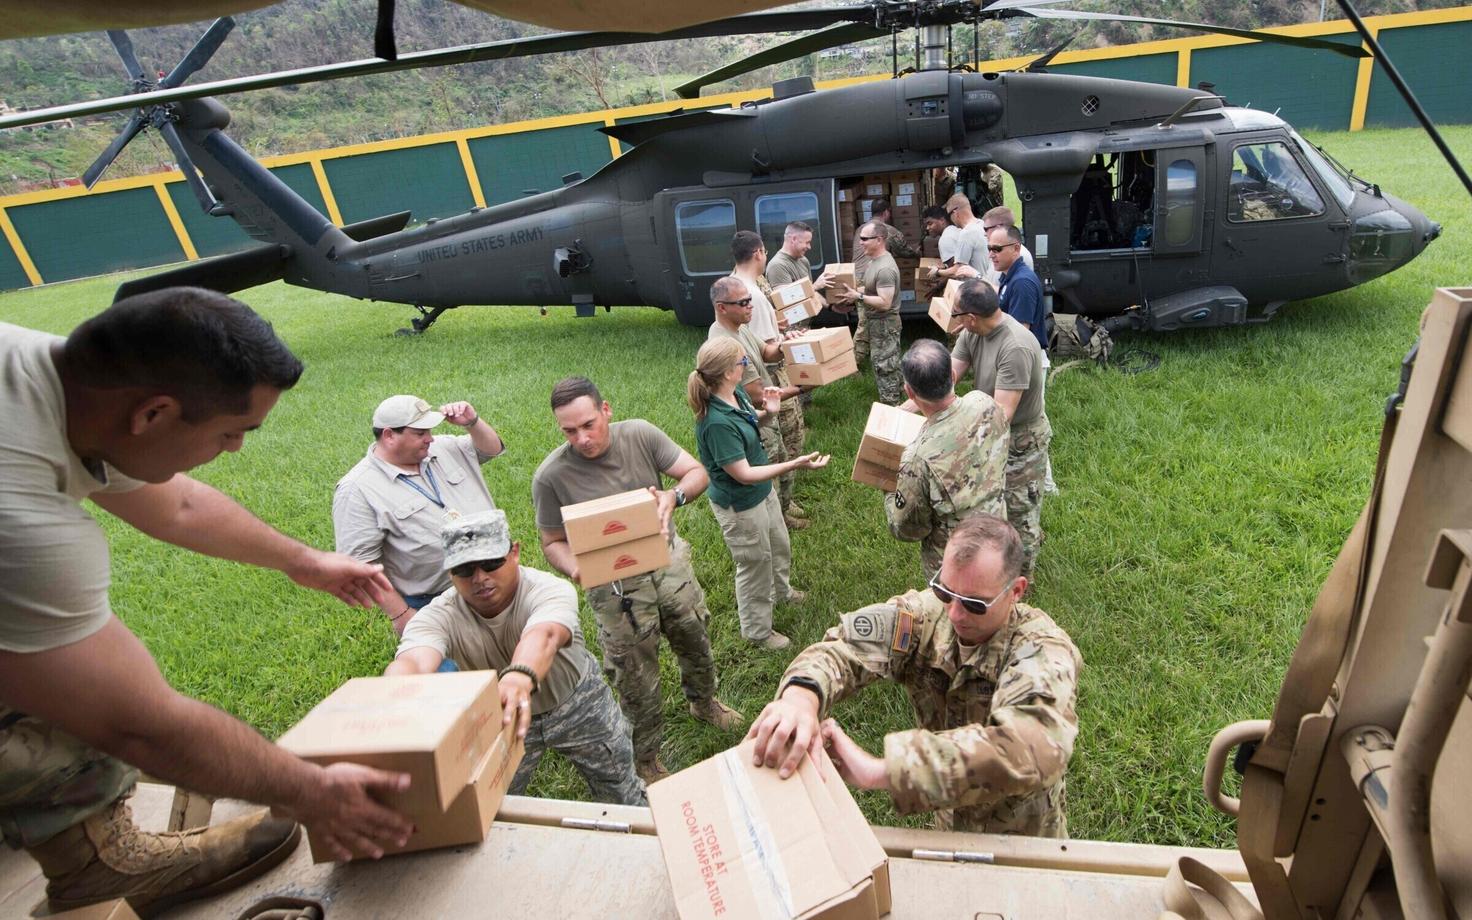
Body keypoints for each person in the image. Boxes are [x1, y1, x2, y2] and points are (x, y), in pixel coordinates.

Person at [0, 288, 415, 915]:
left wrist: (302, 561)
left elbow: (179, 504)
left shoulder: (51, 376)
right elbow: (136, 722)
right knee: (67, 684)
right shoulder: (22, 522)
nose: (236, 450)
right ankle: (101, 866)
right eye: (230, 433)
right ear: (153, 415)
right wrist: (310, 789)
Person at [746, 515, 1080, 837]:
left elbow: (1033, 747)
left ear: (1016, 590)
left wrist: (884, 771)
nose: (954, 614)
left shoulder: (1040, 648)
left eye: (974, 604)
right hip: (949, 824)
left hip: (1021, 838)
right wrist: (801, 698)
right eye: (945, 592)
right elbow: (846, 645)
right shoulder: (926, 617)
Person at [531, 377, 742, 783]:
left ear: (605, 409)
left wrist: (673, 497)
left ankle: (704, 702)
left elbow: (696, 472)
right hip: (613, 587)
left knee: (694, 633)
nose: (582, 438)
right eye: (569, 431)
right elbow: (551, 541)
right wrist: (576, 567)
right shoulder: (551, 476)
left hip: (667, 563)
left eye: (589, 424)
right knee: (633, 671)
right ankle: (645, 755)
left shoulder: (640, 434)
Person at [386, 510, 645, 806]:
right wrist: (392, 694)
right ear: (450, 574)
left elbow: (544, 635)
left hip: (577, 703)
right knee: (489, 803)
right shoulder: (438, 615)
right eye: (465, 570)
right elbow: (415, 661)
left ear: (515, 553)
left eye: (491, 563)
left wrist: (518, 676)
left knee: (621, 786)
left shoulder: (548, 589)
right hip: (501, 715)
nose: (480, 578)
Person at [688, 338, 829, 651]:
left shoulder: (733, 393)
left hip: (761, 492)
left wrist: (770, 411)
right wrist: (795, 464)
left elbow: (752, 421)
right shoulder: (716, 423)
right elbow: (743, 473)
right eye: (742, 362)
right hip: (740, 503)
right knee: (754, 564)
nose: (747, 366)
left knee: (778, 544)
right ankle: (757, 631)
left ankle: (782, 591)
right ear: (727, 372)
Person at [333, 394, 505, 633]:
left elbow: (492, 449)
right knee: (456, 670)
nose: (430, 438)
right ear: (389, 435)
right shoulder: (357, 489)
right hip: (437, 601)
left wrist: (472, 422)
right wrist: (401, 615)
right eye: (420, 433)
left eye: (430, 431)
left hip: (498, 576)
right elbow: (361, 565)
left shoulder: (443, 447)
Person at [948, 281, 1051, 573]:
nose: (953, 318)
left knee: (1020, 512)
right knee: (992, 503)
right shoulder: (973, 332)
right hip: (990, 427)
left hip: (1021, 439)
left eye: (955, 313)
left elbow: (1002, 413)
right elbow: (949, 376)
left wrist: (957, 438)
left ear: (970, 317)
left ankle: (1021, 580)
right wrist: (909, 407)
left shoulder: (1015, 345)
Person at [886, 340, 1008, 579]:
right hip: (998, 538)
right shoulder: (985, 403)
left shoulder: (916, 458)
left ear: (909, 392)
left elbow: (908, 529)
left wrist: (888, 491)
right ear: (953, 375)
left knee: (955, 615)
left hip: (953, 562)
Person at [730, 231, 809, 531]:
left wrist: (782, 331)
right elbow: (766, 350)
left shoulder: (735, 285)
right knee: (787, 441)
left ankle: (785, 502)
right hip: (770, 378)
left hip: (761, 376)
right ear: (759, 253)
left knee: (781, 444)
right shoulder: (754, 296)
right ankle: (782, 508)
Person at [835, 220, 904, 405]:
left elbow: (884, 302)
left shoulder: (885, 269)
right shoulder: (874, 262)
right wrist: (855, 295)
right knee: (888, 365)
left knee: (885, 368)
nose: (860, 242)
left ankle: (892, 409)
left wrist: (858, 296)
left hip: (884, 325)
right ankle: (900, 400)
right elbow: (874, 293)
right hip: (878, 325)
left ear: (879, 240)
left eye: (865, 239)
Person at [849, 199, 918, 368]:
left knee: (865, 321)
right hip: (870, 277)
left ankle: (864, 359)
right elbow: (904, 250)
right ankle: (851, 364)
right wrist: (917, 252)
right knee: (864, 322)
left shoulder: (861, 229)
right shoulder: (888, 231)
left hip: (857, 276)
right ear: (887, 212)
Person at [765, 220, 834, 333]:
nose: (809, 247)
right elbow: (784, 299)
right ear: (793, 239)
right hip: (790, 331)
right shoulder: (777, 265)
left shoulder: (803, 260)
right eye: (807, 242)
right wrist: (815, 286)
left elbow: (810, 293)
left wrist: (831, 307)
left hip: (804, 328)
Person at [988, 224, 1047, 352]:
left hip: (1022, 356)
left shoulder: (1022, 283)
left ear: (1016, 248)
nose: (991, 255)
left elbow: (1019, 334)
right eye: (989, 248)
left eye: (997, 249)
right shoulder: (1009, 276)